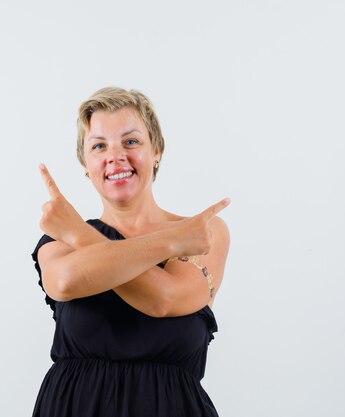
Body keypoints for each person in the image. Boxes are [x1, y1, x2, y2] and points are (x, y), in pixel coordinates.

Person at [31, 87, 231, 417]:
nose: (115, 156)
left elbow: (165, 298)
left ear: (157, 151)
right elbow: (64, 282)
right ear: (86, 163)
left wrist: (79, 233)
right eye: (99, 146)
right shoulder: (59, 238)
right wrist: (171, 243)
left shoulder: (203, 232)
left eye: (131, 141)